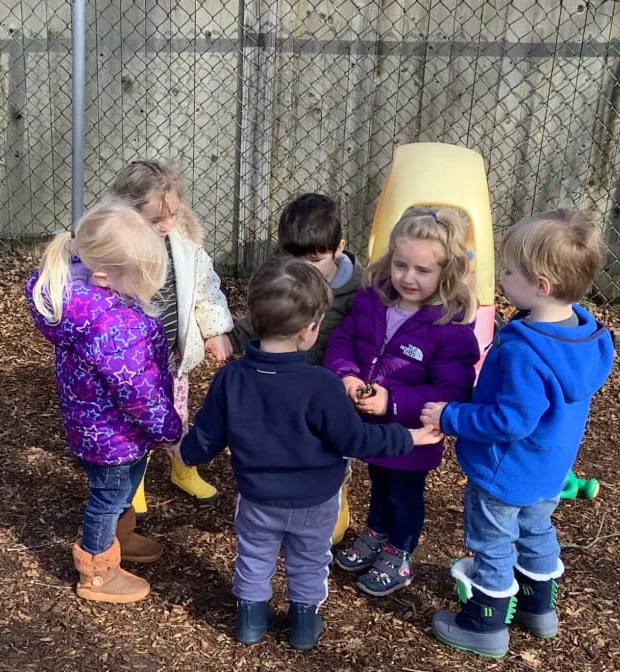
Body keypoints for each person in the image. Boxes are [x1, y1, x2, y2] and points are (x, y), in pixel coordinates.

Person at [168, 257, 444, 650]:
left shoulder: (232, 378)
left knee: (254, 557)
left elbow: (207, 437)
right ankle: (302, 625)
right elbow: (357, 441)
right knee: (310, 561)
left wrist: (184, 452)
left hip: (258, 497)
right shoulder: (321, 384)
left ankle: (251, 621)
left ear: (254, 320)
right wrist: (409, 437)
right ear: (310, 330)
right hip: (316, 500)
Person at [420, 208, 615, 659]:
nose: (502, 277)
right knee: (536, 530)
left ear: (541, 286)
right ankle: (539, 609)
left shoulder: (525, 352)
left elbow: (510, 422)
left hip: (506, 472)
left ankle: (485, 625)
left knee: (492, 543)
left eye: (509, 271)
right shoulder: (585, 334)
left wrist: (450, 416)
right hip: (549, 468)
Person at [24, 202, 183, 603]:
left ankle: (119, 538)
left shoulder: (83, 300)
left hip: (99, 427)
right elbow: (139, 392)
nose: (148, 287)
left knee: (123, 489)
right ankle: (97, 571)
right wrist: (170, 431)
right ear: (105, 276)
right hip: (114, 436)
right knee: (108, 498)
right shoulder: (113, 327)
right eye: (141, 278)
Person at [324, 207, 481, 596]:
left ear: (447, 272)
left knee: (404, 493)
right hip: (372, 426)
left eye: (422, 270)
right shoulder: (373, 300)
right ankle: (376, 532)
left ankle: (401, 552)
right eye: (401, 265)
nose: (408, 277)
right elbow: (343, 340)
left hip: (413, 433)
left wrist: (392, 402)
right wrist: (347, 376)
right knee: (379, 482)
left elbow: (452, 391)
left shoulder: (451, 327)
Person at [227, 192, 363, 544]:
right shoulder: (287, 279)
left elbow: (368, 338)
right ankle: (276, 506)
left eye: (315, 260)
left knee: (332, 447)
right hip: (284, 385)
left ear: (339, 248)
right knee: (284, 443)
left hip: (331, 393)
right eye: (295, 259)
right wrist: (231, 338)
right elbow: (265, 316)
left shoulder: (359, 293)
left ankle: (334, 493)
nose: (305, 269)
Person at [108, 160, 234, 508]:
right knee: (136, 420)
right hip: (133, 362)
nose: (167, 225)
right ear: (127, 213)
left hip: (173, 356)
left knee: (176, 415)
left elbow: (206, 288)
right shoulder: (114, 251)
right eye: (155, 220)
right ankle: (135, 481)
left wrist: (215, 330)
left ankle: (183, 467)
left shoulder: (185, 245)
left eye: (173, 214)